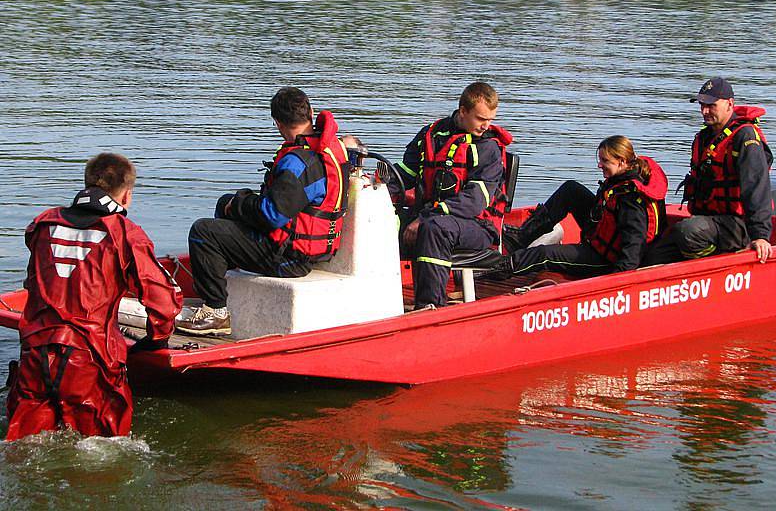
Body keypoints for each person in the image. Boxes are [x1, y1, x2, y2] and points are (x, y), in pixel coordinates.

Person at [5, 153, 182, 441]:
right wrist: (156, 338)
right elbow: (161, 299)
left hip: (36, 354)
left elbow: (34, 281)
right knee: (101, 445)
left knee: (23, 442)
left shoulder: (42, 224)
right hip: (91, 359)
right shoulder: (124, 233)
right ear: (126, 196)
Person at [177, 87, 350, 335]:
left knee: (203, 231)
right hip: (314, 249)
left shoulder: (297, 163)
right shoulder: (330, 149)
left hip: (289, 259)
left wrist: (238, 205)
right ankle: (222, 282)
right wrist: (236, 203)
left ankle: (216, 311)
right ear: (310, 113)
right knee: (225, 203)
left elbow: (273, 216)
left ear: (277, 123)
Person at [392, 81, 513, 309]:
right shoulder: (431, 134)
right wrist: (375, 187)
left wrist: (426, 217)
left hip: (478, 225)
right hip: (432, 215)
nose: (486, 126)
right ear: (463, 111)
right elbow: (405, 173)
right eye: (481, 119)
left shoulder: (488, 149)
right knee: (382, 222)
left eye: (490, 120)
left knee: (435, 229)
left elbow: (474, 202)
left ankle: (430, 307)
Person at [496, 136, 667, 278]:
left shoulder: (630, 200)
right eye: (600, 159)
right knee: (570, 190)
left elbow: (634, 248)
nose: (599, 165)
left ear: (622, 161)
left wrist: (615, 282)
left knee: (544, 254)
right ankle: (522, 238)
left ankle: (500, 268)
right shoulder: (622, 178)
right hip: (600, 232)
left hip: (604, 260)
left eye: (605, 161)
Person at [645, 77, 773, 265]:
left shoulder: (745, 137)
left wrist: (761, 235)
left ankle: (714, 264)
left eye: (711, 105)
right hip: (709, 223)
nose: (704, 111)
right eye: (702, 105)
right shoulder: (704, 138)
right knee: (652, 257)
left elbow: (756, 187)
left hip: (738, 225)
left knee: (688, 232)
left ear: (729, 104)